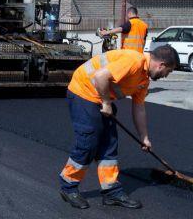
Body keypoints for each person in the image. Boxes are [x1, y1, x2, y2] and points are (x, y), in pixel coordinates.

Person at [58, 45, 179, 210]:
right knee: (89, 142)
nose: (166, 76)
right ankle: (68, 186)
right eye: (169, 71)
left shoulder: (143, 80)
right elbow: (100, 76)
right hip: (83, 92)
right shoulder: (134, 61)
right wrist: (107, 103)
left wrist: (144, 137)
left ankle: (111, 192)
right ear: (161, 65)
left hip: (100, 97)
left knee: (109, 144)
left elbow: (139, 108)